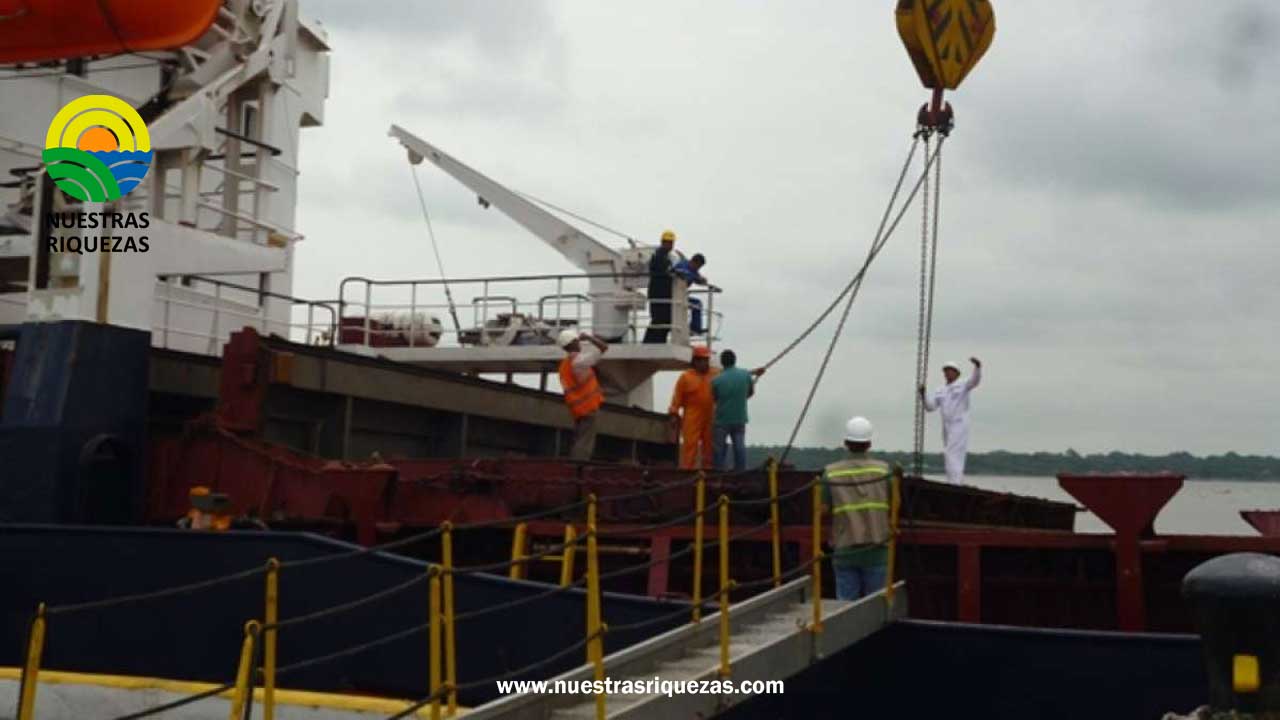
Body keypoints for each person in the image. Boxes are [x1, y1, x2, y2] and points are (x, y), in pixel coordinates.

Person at [821, 416, 894, 600]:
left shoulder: (831, 472)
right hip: (877, 550)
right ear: (869, 443)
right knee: (877, 610)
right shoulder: (884, 471)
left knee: (844, 609)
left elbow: (821, 510)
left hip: (845, 550)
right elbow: (895, 502)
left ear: (846, 443)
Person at [919, 357, 982, 484]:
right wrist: (923, 395)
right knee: (950, 454)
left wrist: (978, 367)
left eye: (951, 370)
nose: (948, 373)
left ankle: (955, 482)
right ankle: (954, 480)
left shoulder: (963, 384)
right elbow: (930, 407)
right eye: (946, 371)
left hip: (959, 424)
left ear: (957, 373)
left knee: (952, 453)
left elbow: (975, 381)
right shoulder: (940, 390)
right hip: (947, 426)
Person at [710, 349, 765, 471]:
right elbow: (750, 393)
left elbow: (714, 398)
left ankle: (718, 471)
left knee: (719, 448)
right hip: (739, 417)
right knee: (739, 446)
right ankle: (740, 470)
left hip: (722, 419)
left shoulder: (716, 380)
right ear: (735, 361)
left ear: (722, 363)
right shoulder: (745, 375)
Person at [558, 329, 609, 460]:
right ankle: (578, 468)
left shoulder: (565, 364)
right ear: (573, 342)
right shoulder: (579, 362)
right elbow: (604, 347)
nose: (580, 343)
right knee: (585, 442)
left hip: (577, 409)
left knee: (579, 438)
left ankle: (576, 465)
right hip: (588, 407)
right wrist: (589, 338)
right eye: (577, 341)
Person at [668, 345, 717, 469]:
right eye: (701, 360)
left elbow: (731, 376)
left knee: (709, 446)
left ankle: (708, 472)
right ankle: (687, 471)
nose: (704, 363)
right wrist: (673, 414)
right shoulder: (685, 377)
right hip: (692, 415)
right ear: (695, 361)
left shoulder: (716, 374)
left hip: (710, 415)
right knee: (690, 445)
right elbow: (676, 398)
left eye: (706, 360)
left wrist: (752, 373)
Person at [643, 229, 677, 344]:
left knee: (665, 320)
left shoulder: (665, 257)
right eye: (667, 242)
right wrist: (673, 273)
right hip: (659, 293)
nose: (669, 244)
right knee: (659, 320)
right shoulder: (658, 256)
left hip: (664, 294)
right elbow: (663, 272)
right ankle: (649, 342)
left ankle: (658, 341)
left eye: (671, 242)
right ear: (663, 242)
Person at [672, 253, 709, 334]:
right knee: (695, 304)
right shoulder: (682, 265)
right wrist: (696, 277)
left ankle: (695, 328)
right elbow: (684, 274)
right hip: (671, 294)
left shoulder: (694, 270)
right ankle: (694, 328)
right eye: (698, 266)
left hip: (681, 295)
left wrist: (702, 280)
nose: (698, 269)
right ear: (693, 262)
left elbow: (697, 279)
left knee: (697, 304)